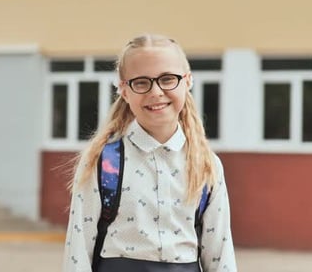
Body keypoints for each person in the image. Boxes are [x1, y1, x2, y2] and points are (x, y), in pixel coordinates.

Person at [63, 33, 237, 272]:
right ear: (124, 90)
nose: (156, 92)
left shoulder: (207, 164)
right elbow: (78, 252)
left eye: (167, 79)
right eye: (141, 82)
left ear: (187, 81)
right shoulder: (104, 161)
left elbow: (220, 254)